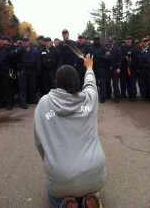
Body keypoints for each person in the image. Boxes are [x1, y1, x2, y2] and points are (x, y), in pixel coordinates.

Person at [34, 54, 106, 208]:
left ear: (55, 82)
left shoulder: (44, 103)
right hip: (94, 173)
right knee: (89, 185)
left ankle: (65, 203)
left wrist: (51, 163)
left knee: (52, 192)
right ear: (78, 82)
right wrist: (89, 67)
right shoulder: (89, 99)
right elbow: (91, 84)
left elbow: (39, 143)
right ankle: (89, 197)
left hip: (60, 175)